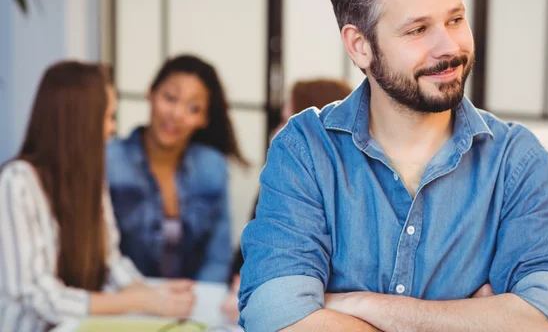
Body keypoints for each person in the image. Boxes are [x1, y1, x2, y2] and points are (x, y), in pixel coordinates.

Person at [238, 0, 548, 331]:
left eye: (455, 19)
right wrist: (473, 319)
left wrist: (358, 305)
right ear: (360, 45)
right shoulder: (305, 150)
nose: (448, 47)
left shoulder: (515, 160)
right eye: (417, 30)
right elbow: (274, 316)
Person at [0, 61, 195, 325]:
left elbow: (110, 260)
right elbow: (41, 297)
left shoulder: (90, 178)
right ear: (78, 121)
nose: (112, 128)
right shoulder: (17, 182)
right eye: (107, 117)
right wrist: (140, 300)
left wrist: (153, 293)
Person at [220, 78, 353, 324]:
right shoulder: (277, 186)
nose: (276, 132)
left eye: (285, 120)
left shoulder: (349, 198)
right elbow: (245, 270)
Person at [107, 54, 247, 282]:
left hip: (194, 302)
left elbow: (217, 257)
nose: (177, 114)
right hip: (127, 297)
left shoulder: (212, 166)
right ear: (150, 93)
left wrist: (198, 301)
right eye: (170, 98)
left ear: (204, 118)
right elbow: (101, 254)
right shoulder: (110, 160)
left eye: (193, 108)